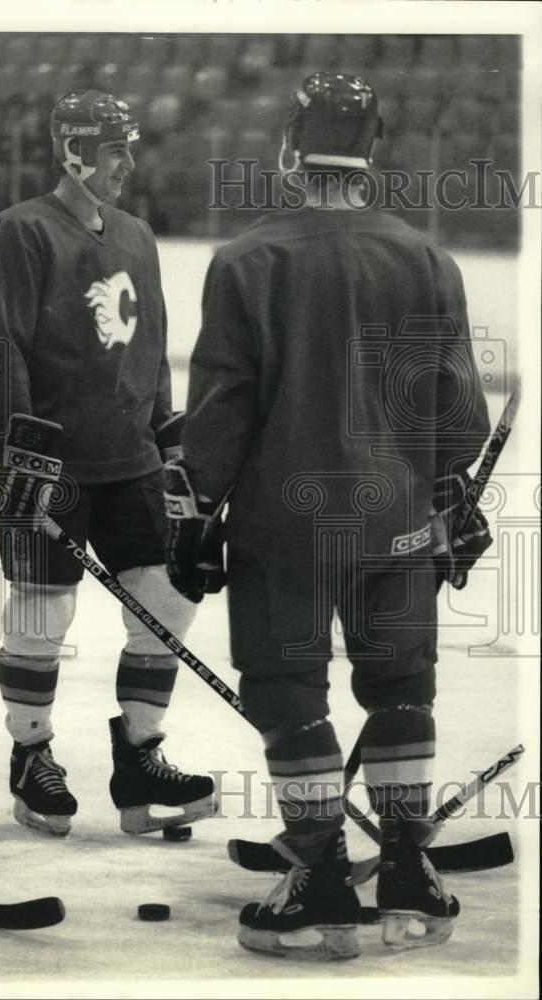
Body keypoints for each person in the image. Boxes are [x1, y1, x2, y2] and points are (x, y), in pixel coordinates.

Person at [164, 72, 492, 959]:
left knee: (288, 691)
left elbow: (222, 415)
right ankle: (407, 873)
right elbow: (459, 421)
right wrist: (435, 492)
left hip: (284, 526)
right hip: (396, 523)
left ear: (288, 150)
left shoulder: (244, 261)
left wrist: (195, 513)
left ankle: (315, 879)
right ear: (373, 152)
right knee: (400, 688)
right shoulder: (428, 260)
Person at [0, 89, 215, 838]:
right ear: (73, 150)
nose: (127, 164)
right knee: (43, 613)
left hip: (130, 463)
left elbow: (151, 350)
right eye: (115, 150)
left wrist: (172, 447)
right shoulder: (20, 233)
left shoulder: (137, 235)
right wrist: (17, 464)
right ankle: (32, 755)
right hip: (53, 467)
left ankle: (139, 759)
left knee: (167, 601)